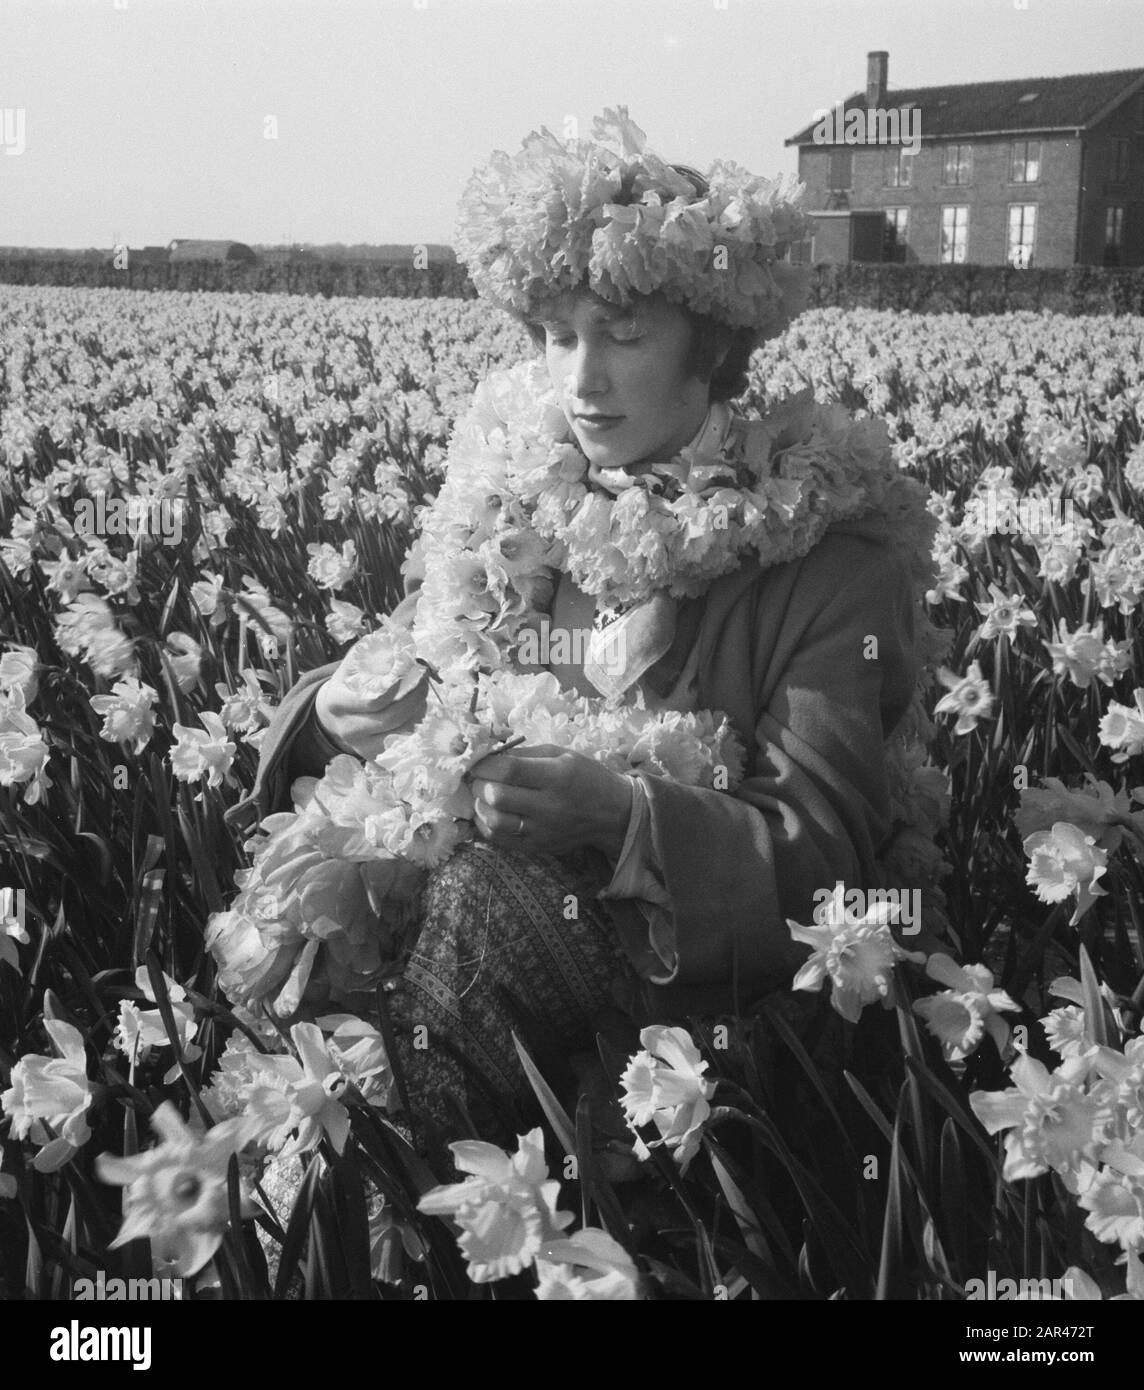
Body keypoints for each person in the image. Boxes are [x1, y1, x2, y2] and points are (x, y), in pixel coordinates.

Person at [219, 109, 946, 1140]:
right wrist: (332, 714)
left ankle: (389, 1218)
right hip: (452, 931)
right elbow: (411, 674)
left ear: (713, 343)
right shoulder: (513, 501)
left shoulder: (829, 558)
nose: (580, 378)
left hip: (685, 1020)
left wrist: (622, 815)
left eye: (623, 334)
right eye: (558, 335)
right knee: (312, 911)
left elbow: (828, 864)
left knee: (481, 906)